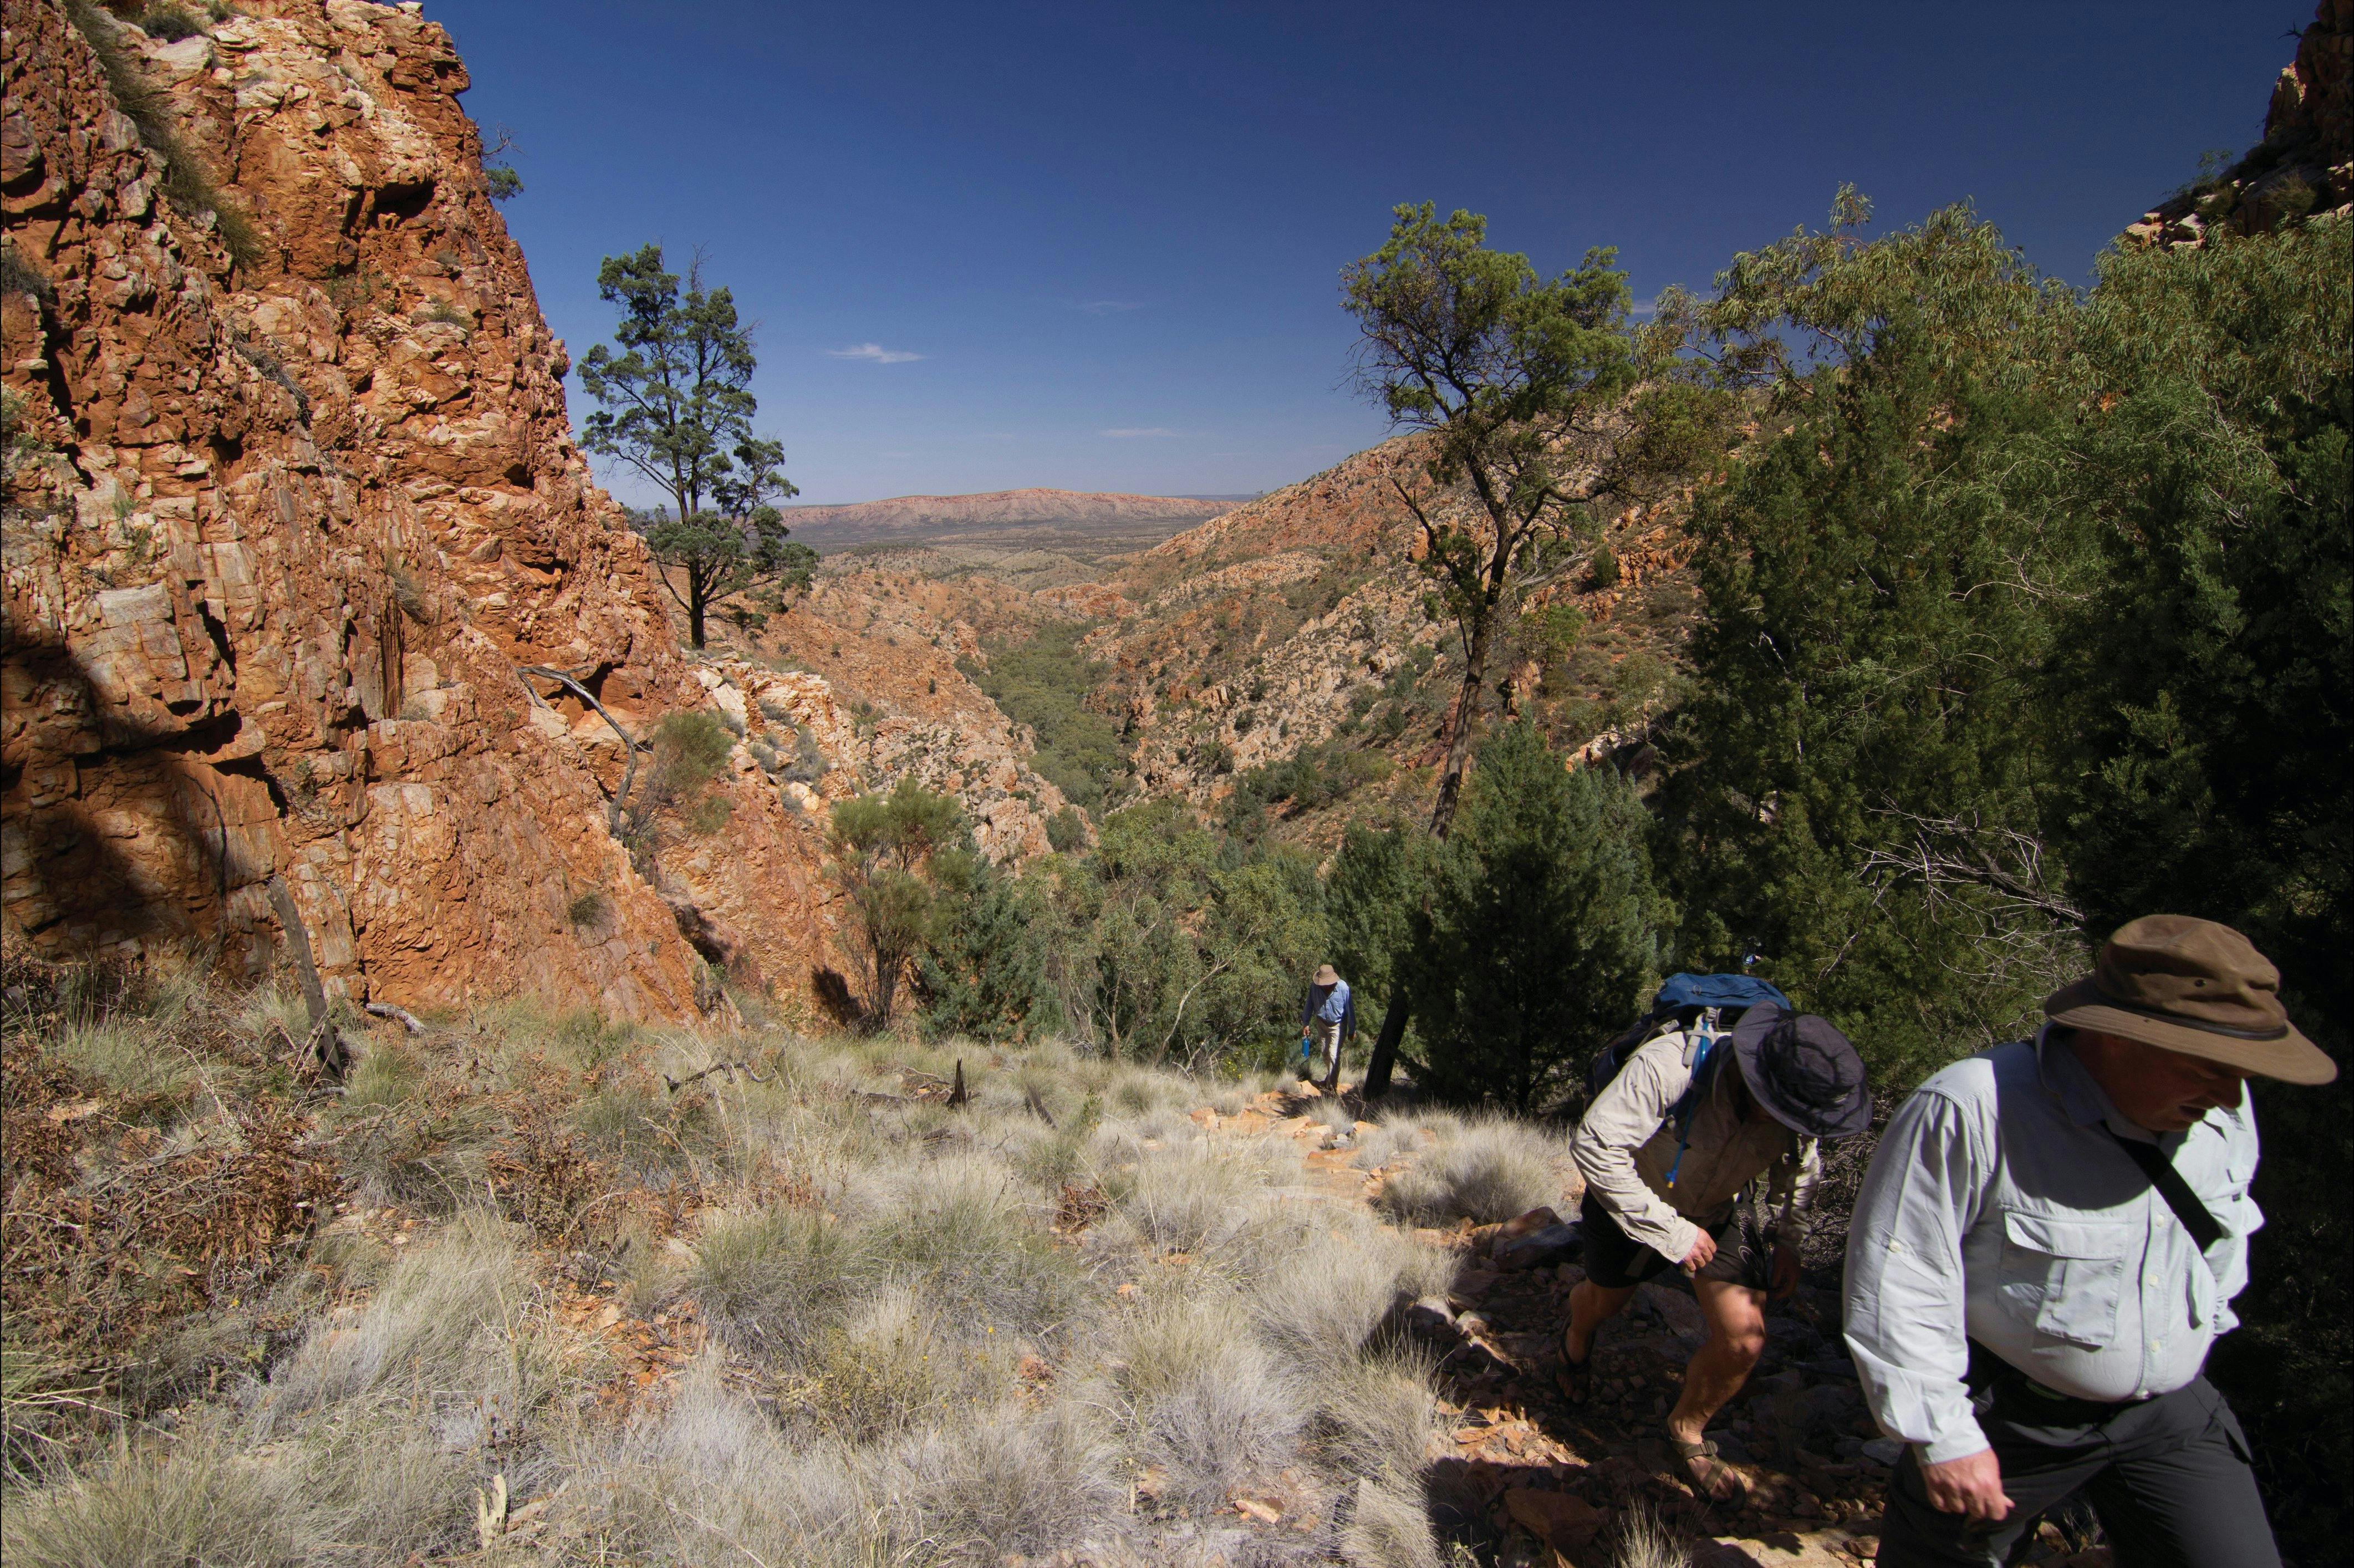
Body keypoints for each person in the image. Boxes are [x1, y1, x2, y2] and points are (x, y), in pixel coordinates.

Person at [1842, 915, 2337, 1567]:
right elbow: (1899, 1279)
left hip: (2169, 1415)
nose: (2227, 1094)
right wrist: (1943, 1437)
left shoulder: (2222, 1109)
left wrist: (2185, 1336)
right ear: (2119, 1039)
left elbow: (2224, 1234)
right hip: (2014, 1417)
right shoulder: (1974, 1108)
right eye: (2210, 1064)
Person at [1563, 1005, 1872, 1500]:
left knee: (1743, 1340)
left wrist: (1790, 1239)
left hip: (1717, 1207)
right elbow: (1595, 1145)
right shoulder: (1673, 1066)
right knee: (1605, 1302)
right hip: (1628, 1200)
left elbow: (1800, 1172)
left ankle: (1685, 1429)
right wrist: (1672, 1233)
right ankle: (1575, 1343)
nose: (1788, 1123)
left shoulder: (1798, 1102)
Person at [1300, 963, 1356, 1090]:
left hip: (1338, 1025)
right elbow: (1309, 1004)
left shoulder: (1343, 988)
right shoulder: (1315, 987)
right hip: (1321, 1023)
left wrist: (1352, 1030)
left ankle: (1331, 1087)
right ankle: (1330, 1077)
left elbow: (1350, 1010)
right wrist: (1306, 1023)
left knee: (1334, 1055)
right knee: (1325, 1053)